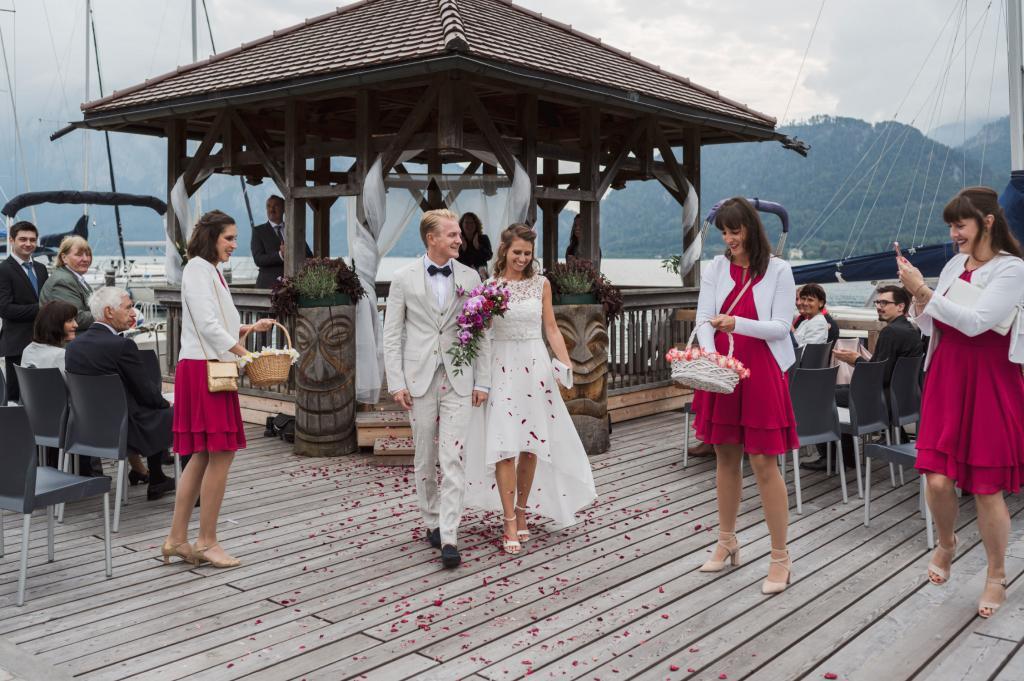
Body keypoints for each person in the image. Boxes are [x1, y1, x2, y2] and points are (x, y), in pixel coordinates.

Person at [897, 186, 1024, 619]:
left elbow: (978, 323)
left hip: (989, 381)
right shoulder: (954, 264)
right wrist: (919, 296)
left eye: (960, 224)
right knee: (936, 479)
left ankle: (995, 573)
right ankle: (947, 542)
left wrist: (926, 293)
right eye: (951, 225)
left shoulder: (1011, 270)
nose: (953, 233)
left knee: (987, 489)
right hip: (947, 376)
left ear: (988, 221)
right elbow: (931, 322)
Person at [463, 224, 597, 554]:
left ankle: (522, 511)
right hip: (502, 368)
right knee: (504, 444)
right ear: (503, 251)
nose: (522, 258)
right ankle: (508, 519)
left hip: (535, 368)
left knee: (530, 444)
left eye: (527, 253)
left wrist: (566, 366)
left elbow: (551, 328)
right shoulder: (490, 287)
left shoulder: (542, 285)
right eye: (517, 252)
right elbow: (480, 335)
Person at [691, 197, 799, 595]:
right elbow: (704, 317)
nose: (729, 238)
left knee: (763, 462)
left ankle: (780, 556)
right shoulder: (716, 268)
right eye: (724, 231)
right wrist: (712, 354)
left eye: (735, 230)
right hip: (724, 370)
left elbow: (781, 327)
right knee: (725, 456)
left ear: (751, 229)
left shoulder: (779, 270)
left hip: (761, 370)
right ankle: (726, 539)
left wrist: (738, 323)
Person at [162, 210, 275, 568]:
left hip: (205, 365)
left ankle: (176, 539)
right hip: (205, 370)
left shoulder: (209, 270)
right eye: (229, 238)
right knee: (220, 453)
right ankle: (207, 541)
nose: (234, 244)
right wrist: (245, 356)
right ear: (211, 237)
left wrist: (247, 330)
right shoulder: (198, 268)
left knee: (202, 454)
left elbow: (211, 325)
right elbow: (208, 326)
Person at [382, 208, 491, 569]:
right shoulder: (403, 278)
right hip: (419, 379)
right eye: (452, 235)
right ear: (432, 239)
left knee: (453, 456)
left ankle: (450, 534)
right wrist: (395, 381)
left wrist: (483, 379)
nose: (460, 239)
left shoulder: (471, 277)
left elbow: (482, 332)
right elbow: (392, 334)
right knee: (424, 456)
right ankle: (431, 519)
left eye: (459, 234)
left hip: (460, 377)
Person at [65, 287, 177, 499]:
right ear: (109, 312)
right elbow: (146, 392)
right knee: (181, 414)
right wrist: (166, 403)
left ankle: (158, 478)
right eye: (128, 307)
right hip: (126, 430)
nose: (133, 313)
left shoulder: (74, 346)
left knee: (149, 408)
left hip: (88, 428)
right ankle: (193, 489)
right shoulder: (122, 345)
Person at [803, 284, 925, 472]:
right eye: (877, 302)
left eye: (885, 302)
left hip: (880, 399)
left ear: (901, 307)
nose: (879, 306)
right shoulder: (911, 330)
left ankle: (837, 458)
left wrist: (855, 359)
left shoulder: (891, 332)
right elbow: (886, 372)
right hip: (904, 399)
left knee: (817, 394)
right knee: (834, 390)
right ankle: (848, 455)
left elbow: (879, 376)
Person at [0, 221, 48, 402]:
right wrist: (42, 309)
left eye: (32, 240)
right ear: (12, 240)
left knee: (39, 395)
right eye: (23, 239)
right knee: (16, 396)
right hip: (17, 343)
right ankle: (13, 430)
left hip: (43, 341)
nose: (28, 243)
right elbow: (5, 308)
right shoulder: (3, 269)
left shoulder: (42, 269)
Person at [251, 195, 313, 289]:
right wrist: (280, 255)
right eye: (268, 206)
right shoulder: (258, 231)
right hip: (268, 287)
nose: (271, 209)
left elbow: (309, 255)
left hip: (293, 287)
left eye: (276, 205)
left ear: (284, 208)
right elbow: (258, 259)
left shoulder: (293, 230)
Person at [40, 235, 95, 331]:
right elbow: (76, 318)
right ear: (64, 257)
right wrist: (108, 314)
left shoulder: (75, 278)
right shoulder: (63, 281)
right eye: (79, 255)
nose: (86, 259)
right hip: (68, 342)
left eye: (88, 254)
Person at [20, 300, 79, 374]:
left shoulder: (27, 350)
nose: (76, 325)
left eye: (74, 320)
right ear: (55, 324)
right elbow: (75, 384)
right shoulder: (61, 355)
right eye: (70, 321)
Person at [456, 212, 493, 277]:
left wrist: (478, 246)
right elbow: (454, 262)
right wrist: (462, 249)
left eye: (472, 223)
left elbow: (489, 256)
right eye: (467, 222)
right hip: (464, 276)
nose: (469, 225)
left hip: (482, 276)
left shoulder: (483, 238)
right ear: (461, 225)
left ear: (476, 225)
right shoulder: (457, 240)